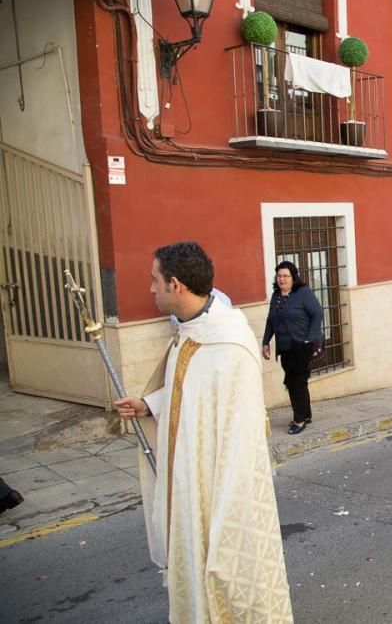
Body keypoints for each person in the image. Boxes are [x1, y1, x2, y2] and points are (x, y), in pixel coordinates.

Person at [112, 242, 292, 623]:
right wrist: (149, 405)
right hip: (188, 486)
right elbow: (187, 393)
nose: (150, 289)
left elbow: (242, 443)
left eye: (154, 280)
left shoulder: (228, 345)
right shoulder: (190, 335)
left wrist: (227, 520)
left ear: (175, 285)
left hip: (216, 494)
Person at [262, 261, 324, 435]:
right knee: (299, 382)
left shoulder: (303, 293)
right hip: (285, 348)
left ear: (293, 277)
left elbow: (317, 313)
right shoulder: (276, 296)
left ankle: (299, 420)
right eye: (279, 275)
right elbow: (270, 320)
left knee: (294, 383)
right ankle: (306, 414)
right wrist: (266, 342)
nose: (281, 279)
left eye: (285, 276)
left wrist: (309, 339)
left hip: (301, 346)